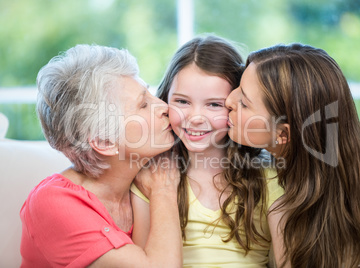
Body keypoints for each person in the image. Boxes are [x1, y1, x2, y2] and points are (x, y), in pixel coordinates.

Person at [225, 43, 360, 268]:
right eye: (238, 88)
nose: (228, 100)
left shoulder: (357, 215)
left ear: (282, 133)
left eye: (243, 103)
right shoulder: (261, 166)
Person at [20, 44, 182, 267]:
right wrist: (164, 189)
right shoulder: (52, 204)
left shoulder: (141, 177)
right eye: (144, 105)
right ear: (104, 142)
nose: (165, 107)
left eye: (151, 95)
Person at [131, 34, 285, 267]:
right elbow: (143, 261)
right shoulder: (150, 175)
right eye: (182, 102)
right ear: (165, 100)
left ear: (236, 105)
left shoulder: (268, 175)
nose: (195, 118)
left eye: (214, 105)